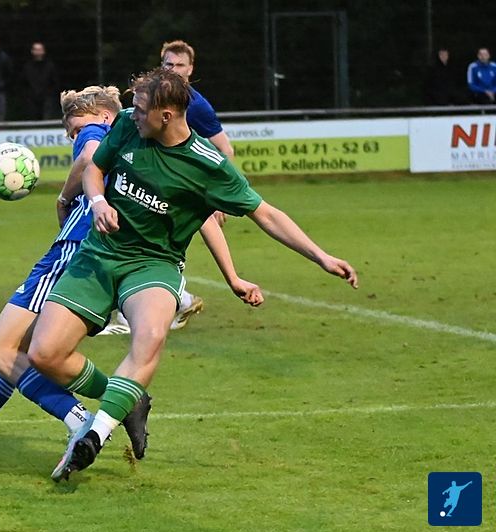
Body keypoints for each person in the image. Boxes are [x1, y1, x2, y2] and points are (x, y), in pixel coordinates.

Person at [0, 86, 262, 472]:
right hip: (99, 254)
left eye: (75, 128)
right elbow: (202, 214)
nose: (74, 136)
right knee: (17, 354)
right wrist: (232, 275)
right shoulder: (138, 146)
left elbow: (90, 154)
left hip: (74, 253)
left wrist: (64, 197)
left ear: (104, 116)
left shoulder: (101, 132)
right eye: (71, 131)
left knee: (0, 351)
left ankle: (83, 418)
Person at [28, 67, 357, 482]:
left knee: (150, 336)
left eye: (142, 109)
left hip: (154, 264)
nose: (132, 113)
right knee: (44, 354)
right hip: (99, 254)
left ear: (166, 115)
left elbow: (266, 214)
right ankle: (128, 397)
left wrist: (321, 256)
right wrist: (97, 202)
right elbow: (95, 168)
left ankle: (95, 435)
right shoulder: (128, 125)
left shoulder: (208, 165)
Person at [99, 39, 234, 336]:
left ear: (191, 69)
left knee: (157, 245)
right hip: (157, 180)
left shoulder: (197, 107)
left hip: (183, 187)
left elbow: (225, 148)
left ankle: (148, 307)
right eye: (167, 64)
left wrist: (217, 198)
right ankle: (172, 301)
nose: (172, 69)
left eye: (179, 65)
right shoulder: (150, 103)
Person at [22, 41, 59, 120]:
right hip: (31, 99)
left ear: (43, 51)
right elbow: (23, 82)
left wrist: (50, 93)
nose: (38, 52)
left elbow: (55, 82)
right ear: (32, 51)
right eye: (36, 49)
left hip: (47, 98)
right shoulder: (27, 66)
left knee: (47, 119)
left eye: (40, 49)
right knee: (32, 120)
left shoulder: (50, 66)